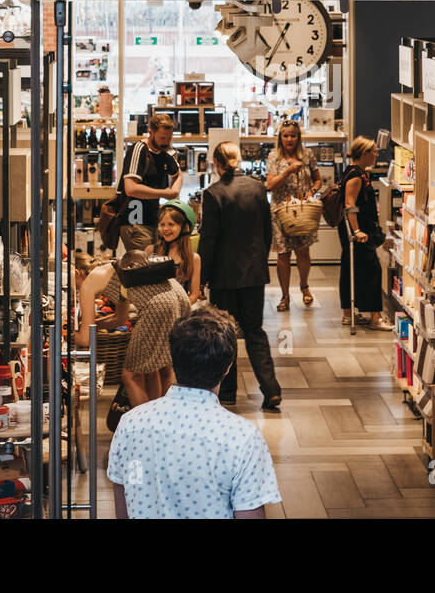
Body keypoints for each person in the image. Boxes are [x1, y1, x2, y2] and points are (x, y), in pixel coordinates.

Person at [107, 307, 281, 519]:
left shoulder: (130, 424)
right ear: (228, 367)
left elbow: (123, 506)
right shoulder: (242, 437)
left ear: (173, 359)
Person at [200, 141, 283, 410]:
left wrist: (201, 279)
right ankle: (271, 389)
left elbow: (209, 241)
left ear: (217, 163)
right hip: (254, 273)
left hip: (224, 276)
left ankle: (227, 392)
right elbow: (266, 230)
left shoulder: (213, 194)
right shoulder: (258, 188)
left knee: (226, 333)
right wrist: (260, 260)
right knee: (255, 330)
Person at [74, 249, 190, 407]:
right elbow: (120, 319)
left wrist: (61, 332)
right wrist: (95, 324)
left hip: (159, 306)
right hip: (178, 295)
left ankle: (144, 426)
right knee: (155, 368)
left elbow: (85, 339)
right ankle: (161, 419)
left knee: (131, 375)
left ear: (77, 272)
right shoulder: (113, 268)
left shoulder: (88, 284)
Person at [264, 119, 322, 311]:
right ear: (280, 137)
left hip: (303, 210)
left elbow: (318, 179)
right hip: (281, 212)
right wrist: (288, 171)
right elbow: (270, 186)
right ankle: (285, 295)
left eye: (293, 135)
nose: (289, 139)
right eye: (285, 135)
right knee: (283, 254)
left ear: (298, 137)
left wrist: (312, 190)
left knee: (303, 251)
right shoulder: (274, 157)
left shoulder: (308, 155)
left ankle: (304, 286)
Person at [339, 136, 394, 330]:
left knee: (350, 268)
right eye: (374, 152)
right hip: (358, 232)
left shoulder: (357, 172)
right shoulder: (355, 176)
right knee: (372, 271)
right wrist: (357, 231)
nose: (377, 155)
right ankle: (375, 317)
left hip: (355, 230)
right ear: (364, 154)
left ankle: (348, 313)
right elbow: (349, 205)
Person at [119, 112, 182, 252]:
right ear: (150, 132)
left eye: (169, 137)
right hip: (135, 220)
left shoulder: (165, 152)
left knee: (154, 266)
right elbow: (130, 188)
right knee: (143, 267)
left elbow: (178, 174)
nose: (166, 141)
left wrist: (175, 192)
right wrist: (164, 193)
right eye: (162, 138)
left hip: (154, 221)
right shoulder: (139, 149)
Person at [154, 200, 202, 304]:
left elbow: (194, 294)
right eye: (162, 224)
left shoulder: (193, 258)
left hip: (180, 311)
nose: (166, 229)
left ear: (185, 227)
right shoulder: (152, 252)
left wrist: (179, 311)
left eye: (171, 224)